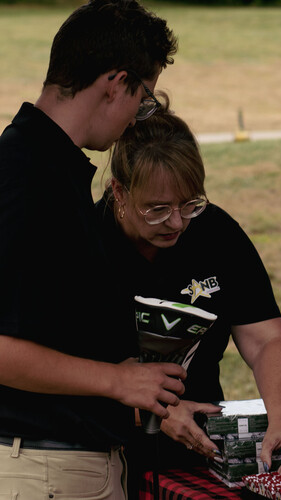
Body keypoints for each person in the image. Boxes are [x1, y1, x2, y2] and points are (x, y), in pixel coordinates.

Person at [0, 1, 183, 498]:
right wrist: (118, 381)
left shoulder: (49, 167)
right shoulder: (28, 177)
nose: (138, 117)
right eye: (143, 98)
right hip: (44, 471)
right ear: (115, 82)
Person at [97, 97, 281, 497]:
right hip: (104, 460)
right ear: (119, 191)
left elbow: (266, 339)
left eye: (190, 204)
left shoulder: (217, 233)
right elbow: (71, 368)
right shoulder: (88, 242)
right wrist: (156, 412)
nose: (176, 222)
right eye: (156, 210)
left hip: (200, 460)